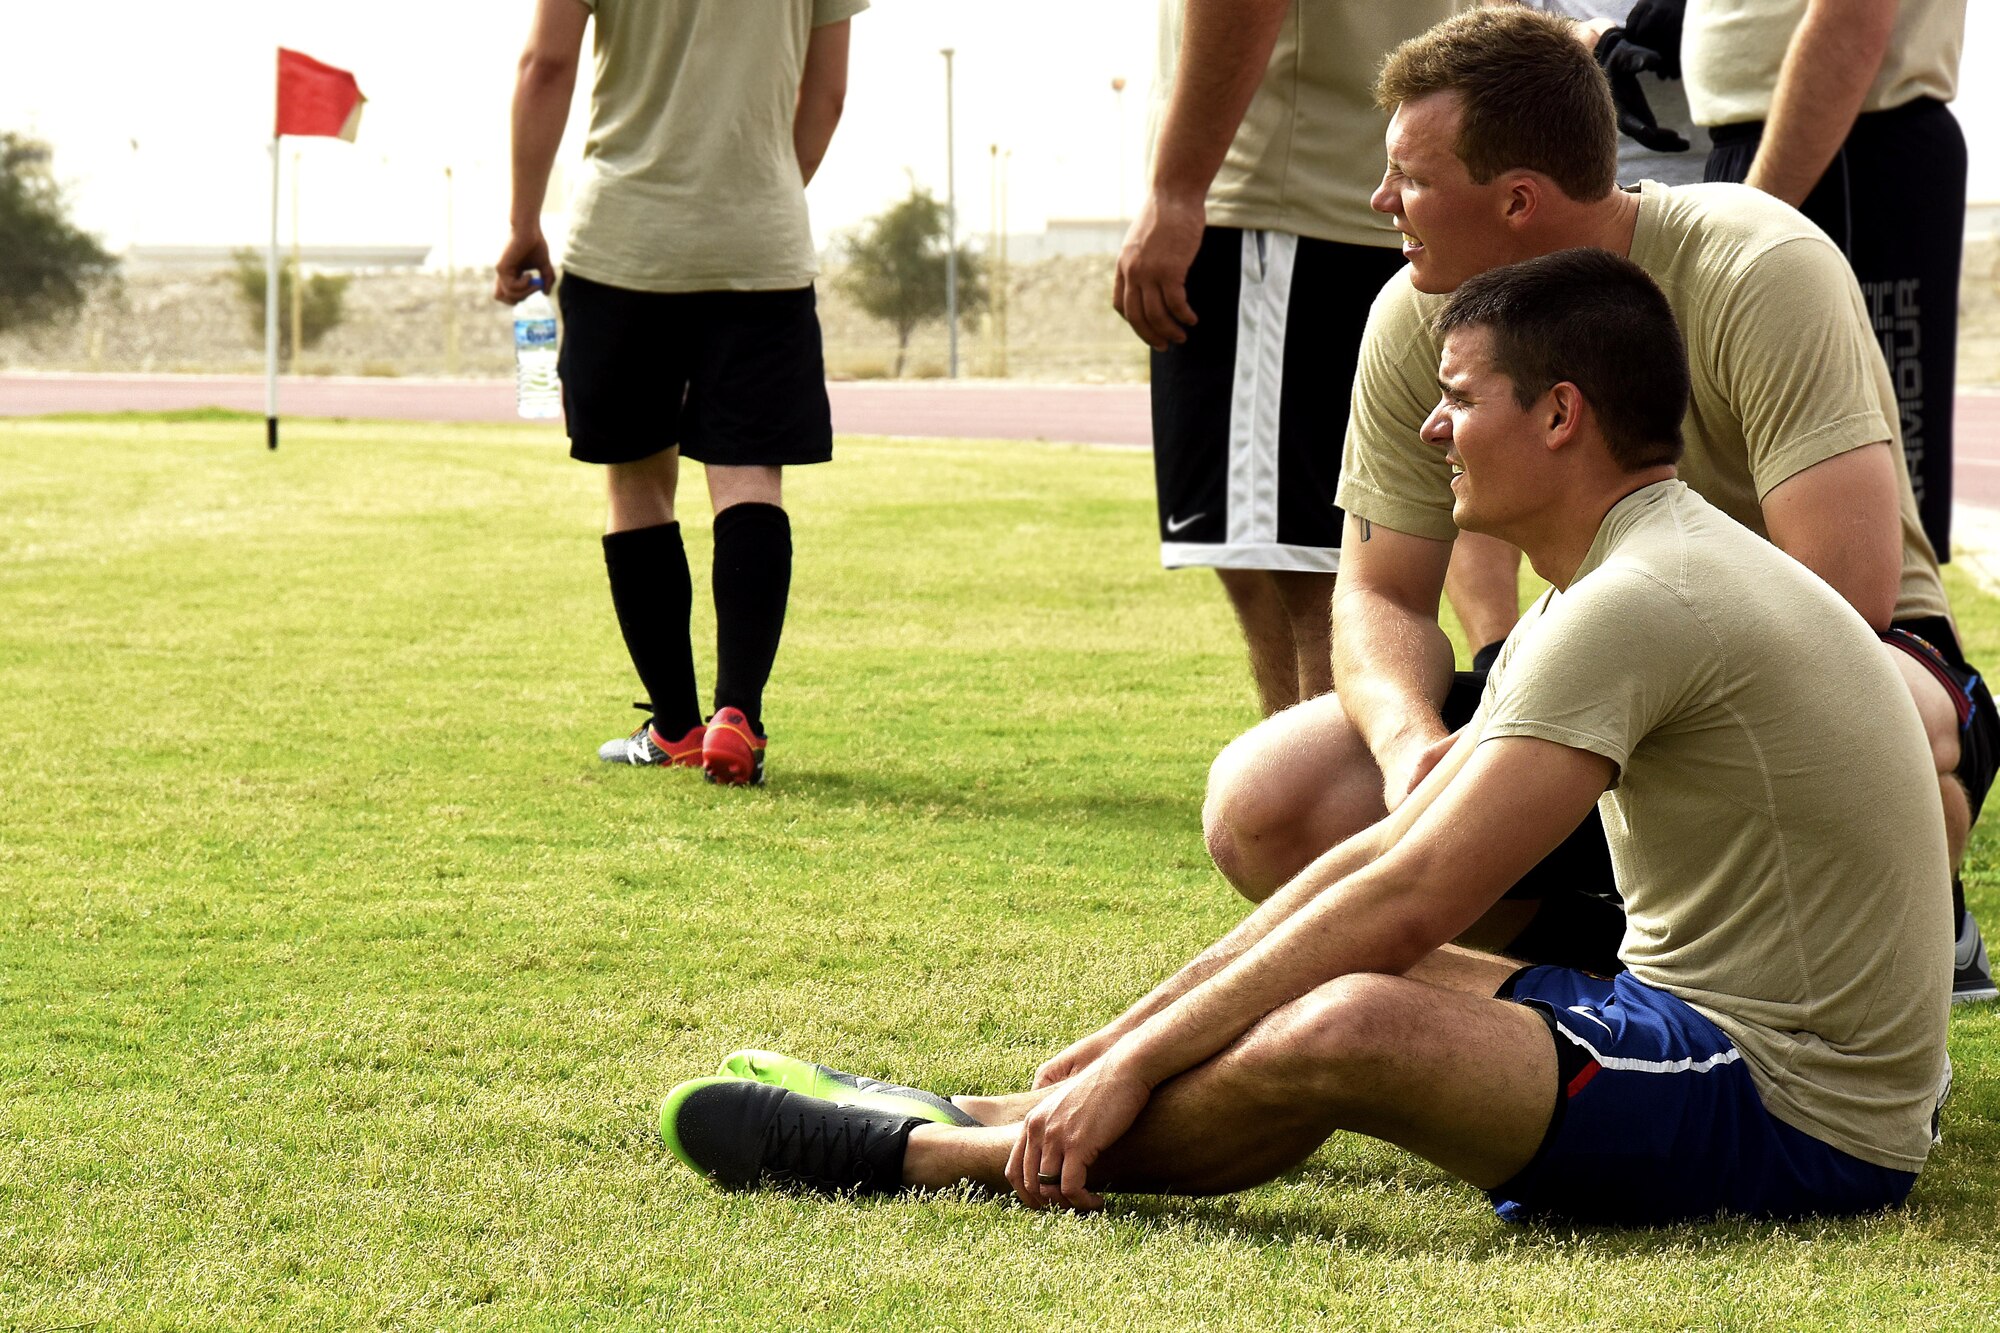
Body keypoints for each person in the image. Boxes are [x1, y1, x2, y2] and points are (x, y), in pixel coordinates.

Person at [656, 251, 1952, 1224]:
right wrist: (1121, 1046)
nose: (1434, 427)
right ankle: (995, 1107)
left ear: (1560, 415)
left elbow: (1405, 895)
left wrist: (1141, 1058)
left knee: (1354, 1024)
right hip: (1683, 1016)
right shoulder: (1625, 575)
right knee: (1321, 973)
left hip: (1799, 1108)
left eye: (1461, 397)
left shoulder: (1640, 599)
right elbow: (1385, 859)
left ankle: (941, 1157)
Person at [1199, 6, 1996, 999]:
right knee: (1265, 802)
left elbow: (1845, 598)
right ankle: (1590, 973)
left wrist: (1584, 734)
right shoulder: (1413, 314)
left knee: (1907, 719)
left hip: (1807, 672)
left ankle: (1907, 911)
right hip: (1582, 679)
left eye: (1410, 178)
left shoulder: (1752, 261)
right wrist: (1415, 751)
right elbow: (1378, 595)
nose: (1379, 200)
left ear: (1519, 203)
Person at [494, 0, 863, 785]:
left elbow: (545, 66)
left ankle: (673, 726)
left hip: (625, 240)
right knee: (750, 474)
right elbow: (826, 95)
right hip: (759, 245)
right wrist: (757, 194)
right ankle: (739, 717)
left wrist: (525, 222)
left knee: (637, 482)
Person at [1117, 0, 1471, 717]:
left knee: (1313, 565)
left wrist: (1177, 189)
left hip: (1287, 204)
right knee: (1300, 555)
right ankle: (1322, 810)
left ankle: (1324, 821)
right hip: (1349, 194)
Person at [1686, 0, 1967, 562]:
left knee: (1876, 533)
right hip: (1781, 145)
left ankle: (1908, 651)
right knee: (1751, 493)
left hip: (1839, 143)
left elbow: (1853, 17)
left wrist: (1754, 224)